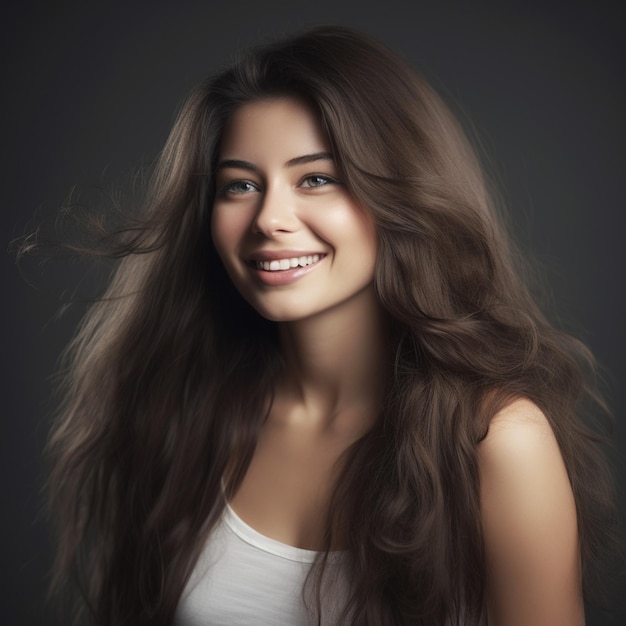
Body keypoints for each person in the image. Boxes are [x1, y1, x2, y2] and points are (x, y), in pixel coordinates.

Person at [39, 25, 617, 625]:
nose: (270, 218)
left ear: (402, 192)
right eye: (240, 185)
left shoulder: (497, 441)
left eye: (315, 178)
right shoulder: (185, 411)